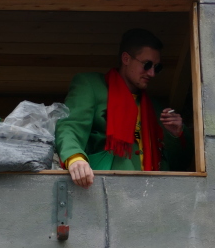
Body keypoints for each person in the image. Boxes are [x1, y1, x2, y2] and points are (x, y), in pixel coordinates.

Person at [56, 28, 192, 188]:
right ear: (126, 59)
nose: (152, 73)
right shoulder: (91, 85)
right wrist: (75, 158)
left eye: (157, 67)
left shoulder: (155, 108)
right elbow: (70, 126)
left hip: (153, 192)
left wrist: (176, 134)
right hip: (105, 186)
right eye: (147, 64)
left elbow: (179, 162)